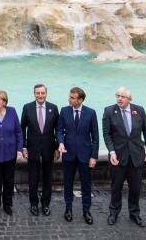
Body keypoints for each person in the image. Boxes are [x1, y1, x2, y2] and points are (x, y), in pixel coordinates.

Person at [102, 87, 146, 227]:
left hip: (136, 156)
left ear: (129, 99)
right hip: (117, 156)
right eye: (117, 95)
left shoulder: (139, 110)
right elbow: (106, 135)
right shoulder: (109, 111)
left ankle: (134, 213)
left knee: (135, 188)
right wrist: (111, 152)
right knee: (116, 187)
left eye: (123, 96)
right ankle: (113, 213)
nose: (119, 98)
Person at [57, 87, 99, 225]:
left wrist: (94, 156)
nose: (69, 99)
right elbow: (59, 130)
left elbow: (95, 137)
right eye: (69, 96)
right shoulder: (64, 111)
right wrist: (61, 143)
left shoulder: (91, 113)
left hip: (85, 156)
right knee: (67, 183)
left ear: (80, 100)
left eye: (72, 97)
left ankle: (86, 211)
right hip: (68, 154)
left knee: (86, 185)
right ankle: (68, 208)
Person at [21, 84, 60, 217]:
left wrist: (57, 147)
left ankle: (45, 204)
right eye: (38, 93)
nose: (40, 95)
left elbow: (58, 130)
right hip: (32, 148)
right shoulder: (27, 108)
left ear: (46, 93)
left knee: (48, 178)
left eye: (42, 93)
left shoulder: (53, 108)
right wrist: (24, 146)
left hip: (49, 148)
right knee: (33, 178)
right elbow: (22, 129)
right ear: (34, 94)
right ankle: (33, 203)